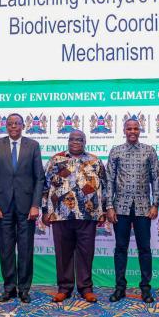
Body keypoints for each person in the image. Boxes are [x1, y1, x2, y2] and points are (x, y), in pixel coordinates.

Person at [0, 113, 45, 303]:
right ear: (5, 126)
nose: (13, 127)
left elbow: (39, 178)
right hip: (3, 207)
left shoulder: (33, 145)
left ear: (23, 126)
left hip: (27, 207)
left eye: (17, 124)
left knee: (26, 249)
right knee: (6, 248)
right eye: (10, 124)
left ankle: (24, 289)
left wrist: (36, 205)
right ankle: (9, 287)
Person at [42, 130, 106, 303]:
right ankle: (64, 288)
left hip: (88, 214)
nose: (75, 142)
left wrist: (103, 211)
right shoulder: (57, 160)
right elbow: (45, 186)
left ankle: (86, 288)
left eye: (79, 139)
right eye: (72, 139)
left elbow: (104, 187)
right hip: (61, 213)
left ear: (85, 141)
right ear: (68, 141)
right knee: (63, 253)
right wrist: (44, 211)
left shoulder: (95, 160)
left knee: (86, 253)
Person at [105, 118, 159, 303]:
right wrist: (109, 207)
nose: (132, 131)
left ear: (140, 130)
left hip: (144, 208)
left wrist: (155, 205)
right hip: (120, 207)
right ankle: (120, 288)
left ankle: (145, 289)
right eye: (129, 128)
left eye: (136, 128)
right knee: (120, 249)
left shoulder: (149, 151)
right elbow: (109, 181)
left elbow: (156, 180)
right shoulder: (116, 151)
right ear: (124, 130)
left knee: (144, 249)